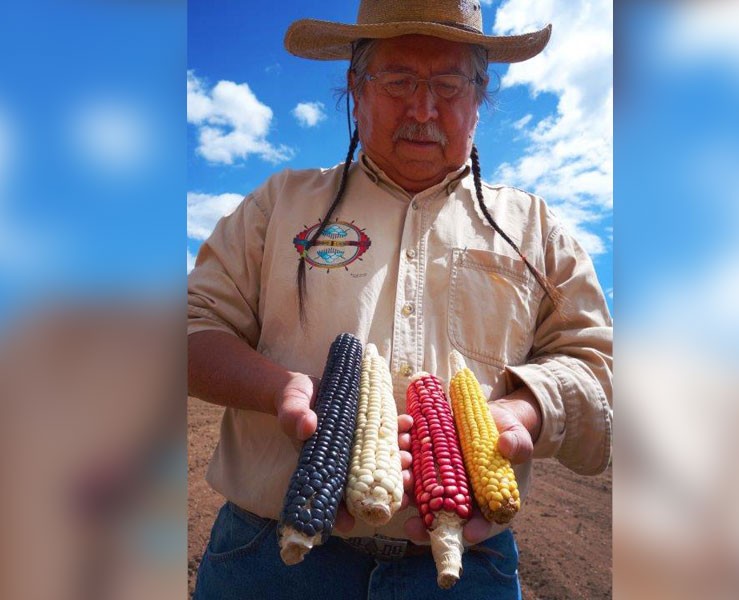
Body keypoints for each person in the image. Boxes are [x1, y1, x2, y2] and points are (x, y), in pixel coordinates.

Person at [188, 1, 612, 598]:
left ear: (480, 98)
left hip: (471, 566)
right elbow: (190, 327)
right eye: (398, 80)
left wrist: (524, 412)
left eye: (447, 83)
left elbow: (598, 361)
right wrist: (278, 390)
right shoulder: (278, 204)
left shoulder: (536, 228)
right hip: (268, 557)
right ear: (355, 91)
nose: (423, 108)